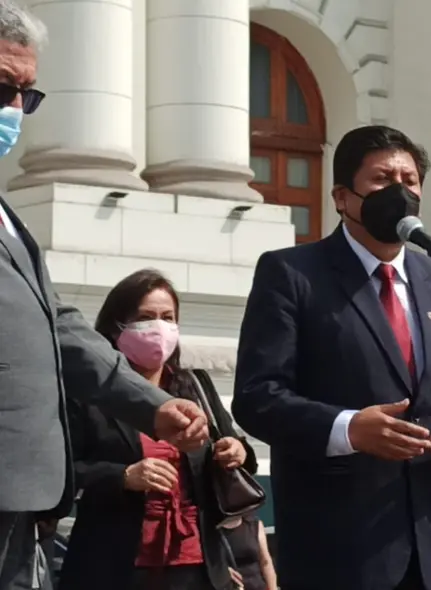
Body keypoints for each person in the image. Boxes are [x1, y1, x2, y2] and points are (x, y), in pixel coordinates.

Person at [232, 125, 431, 590]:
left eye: (410, 180)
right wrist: (347, 429)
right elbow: (257, 397)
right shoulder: (292, 274)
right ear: (342, 196)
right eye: (383, 179)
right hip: (341, 548)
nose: (400, 192)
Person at [0, 4, 208, 588]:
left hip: (23, 496)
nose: (13, 110)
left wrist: (152, 405)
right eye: (2, 88)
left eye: (25, 95)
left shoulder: (9, 219)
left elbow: (58, 326)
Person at [59, 270, 255, 590]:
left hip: (195, 563)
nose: (158, 327)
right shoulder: (87, 393)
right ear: (116, 326)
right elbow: (63, 467)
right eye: (146, 317)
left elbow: (236, 451)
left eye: (168, 317)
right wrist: (123, 476)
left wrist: (237, 450)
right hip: (115, 565)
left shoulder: (194, 385)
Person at [221, 514, 278, 590]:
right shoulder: (209, 529)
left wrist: (273, 588)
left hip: (258, 586)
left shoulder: (254, 524)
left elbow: (265, 561)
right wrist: (222, 571)